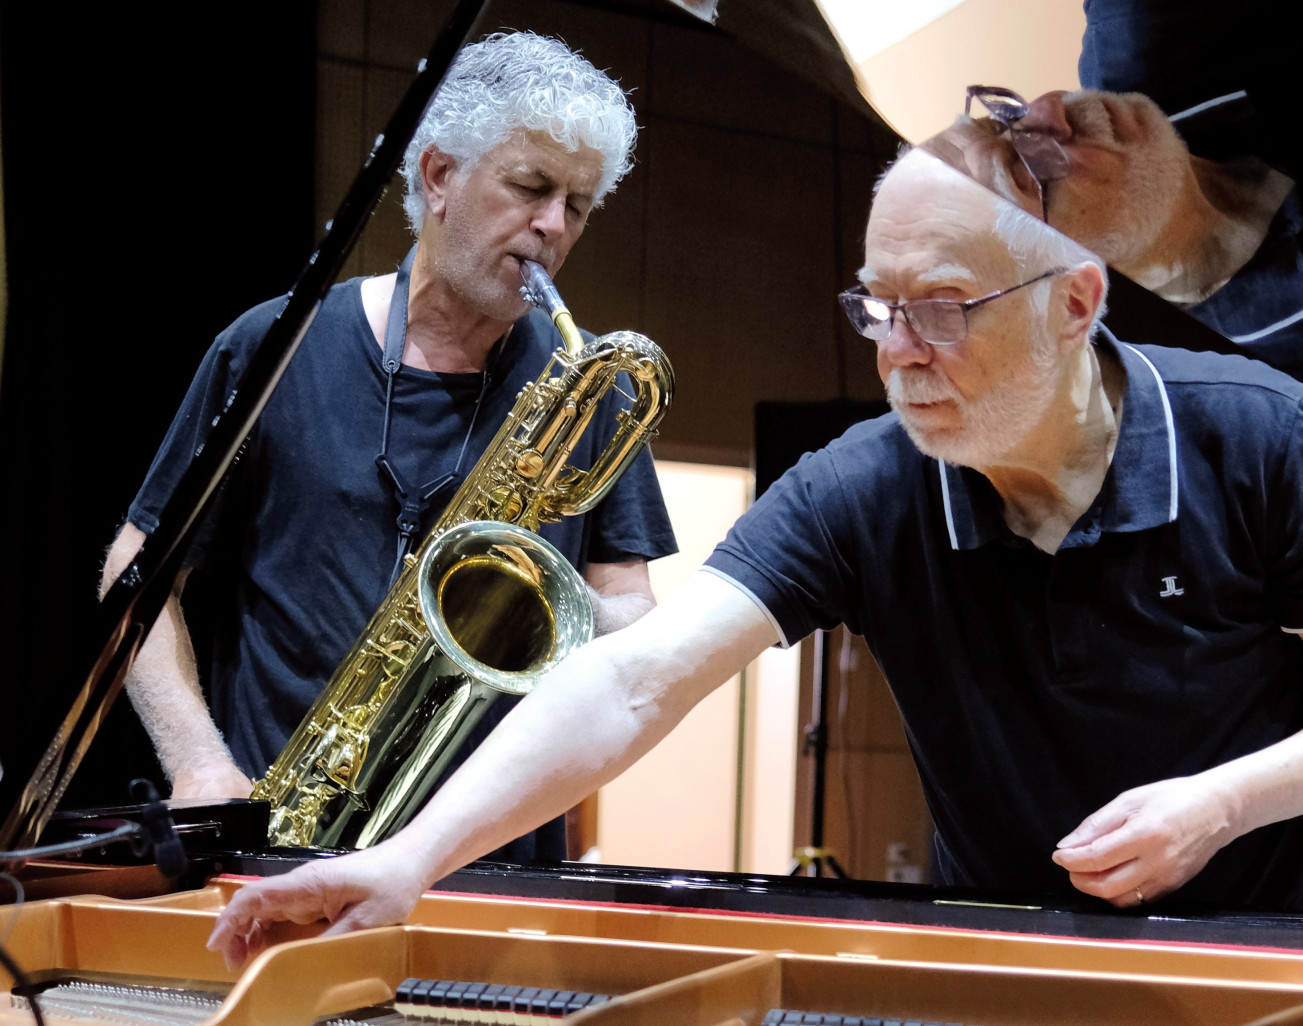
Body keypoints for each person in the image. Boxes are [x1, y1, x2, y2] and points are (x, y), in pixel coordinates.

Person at [208, 148, 1303, 969]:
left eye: (937, 309)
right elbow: (636, 681)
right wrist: (411, 859)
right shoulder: (866, 482)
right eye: (875, 306)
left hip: (1259, 958)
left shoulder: (1258, 437)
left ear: (1074, 304)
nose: (895, 353)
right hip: (999, 954)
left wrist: (1223, 803)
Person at [100, 31, 677, 863]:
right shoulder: (273, 346)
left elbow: (627, 601)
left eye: (578, 205)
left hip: (492, 857)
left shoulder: (590, 385)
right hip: (285, 843)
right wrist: (197, 762)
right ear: (438, 175)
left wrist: (550, 625)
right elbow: (137, 565)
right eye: (530, 187)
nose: (553, 225)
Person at [922, 86, 1303, 378]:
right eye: (1026, 166)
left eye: (1002, 118)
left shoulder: (1139, 41)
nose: (1049, 106)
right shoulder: (1278, 372)